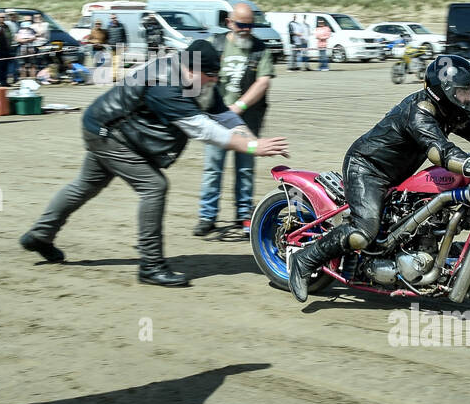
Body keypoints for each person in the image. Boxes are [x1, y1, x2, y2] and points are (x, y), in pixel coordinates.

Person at [20, 41, 291, 287]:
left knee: (85, 185)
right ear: (192, 69)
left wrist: (254, 139)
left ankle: (39, 236)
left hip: (115, 130)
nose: (215, 81)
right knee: (154, 186)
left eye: (216, 75)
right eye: (211, 76)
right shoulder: (165, 83)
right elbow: (202, 129)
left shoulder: (199, 79)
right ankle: (151, 266)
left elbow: (223, 116)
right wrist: (252, 147)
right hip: (107, 132)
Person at [285, 55, 470, 302]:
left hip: (399, 175)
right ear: (444, 91)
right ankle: (304, 260)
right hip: (368, 169)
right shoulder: (419, 112)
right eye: (463, 92)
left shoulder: (450, 112)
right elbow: (440, 152)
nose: (468, 98)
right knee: (364, 231)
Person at [194, 1, 274, 236]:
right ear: (229, 23)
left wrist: (238, 107)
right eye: (240, 24)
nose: (245, 29)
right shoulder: (216, 45)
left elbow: (263, 81)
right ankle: (207, 216)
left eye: (250, 25)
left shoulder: (261, 50)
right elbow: (198, 73)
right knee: (212, 168)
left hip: (247, 120)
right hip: (216, 117)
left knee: (245, 169)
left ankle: (244, 215)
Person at [106, 14, 128, 80]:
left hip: (119, 46)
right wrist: (108, 43)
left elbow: (125, 36)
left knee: (118, 62)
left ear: (117, 18)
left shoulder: (121, 25)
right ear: (110, 19)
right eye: (112, 18)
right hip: (112, 47)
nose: (114, 19)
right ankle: (114, 76)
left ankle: (115, 76)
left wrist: (126, 45)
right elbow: (107, 37)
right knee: (113, 62)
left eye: (115, 18)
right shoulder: (108, 27)